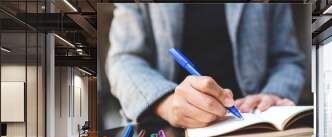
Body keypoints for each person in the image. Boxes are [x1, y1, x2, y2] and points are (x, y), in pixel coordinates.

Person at [107, 3, 305, 128]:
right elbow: (123, 59)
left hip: (254, 124)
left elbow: (288, 60)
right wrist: (166, 103)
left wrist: (274, 93)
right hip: (167, 130)